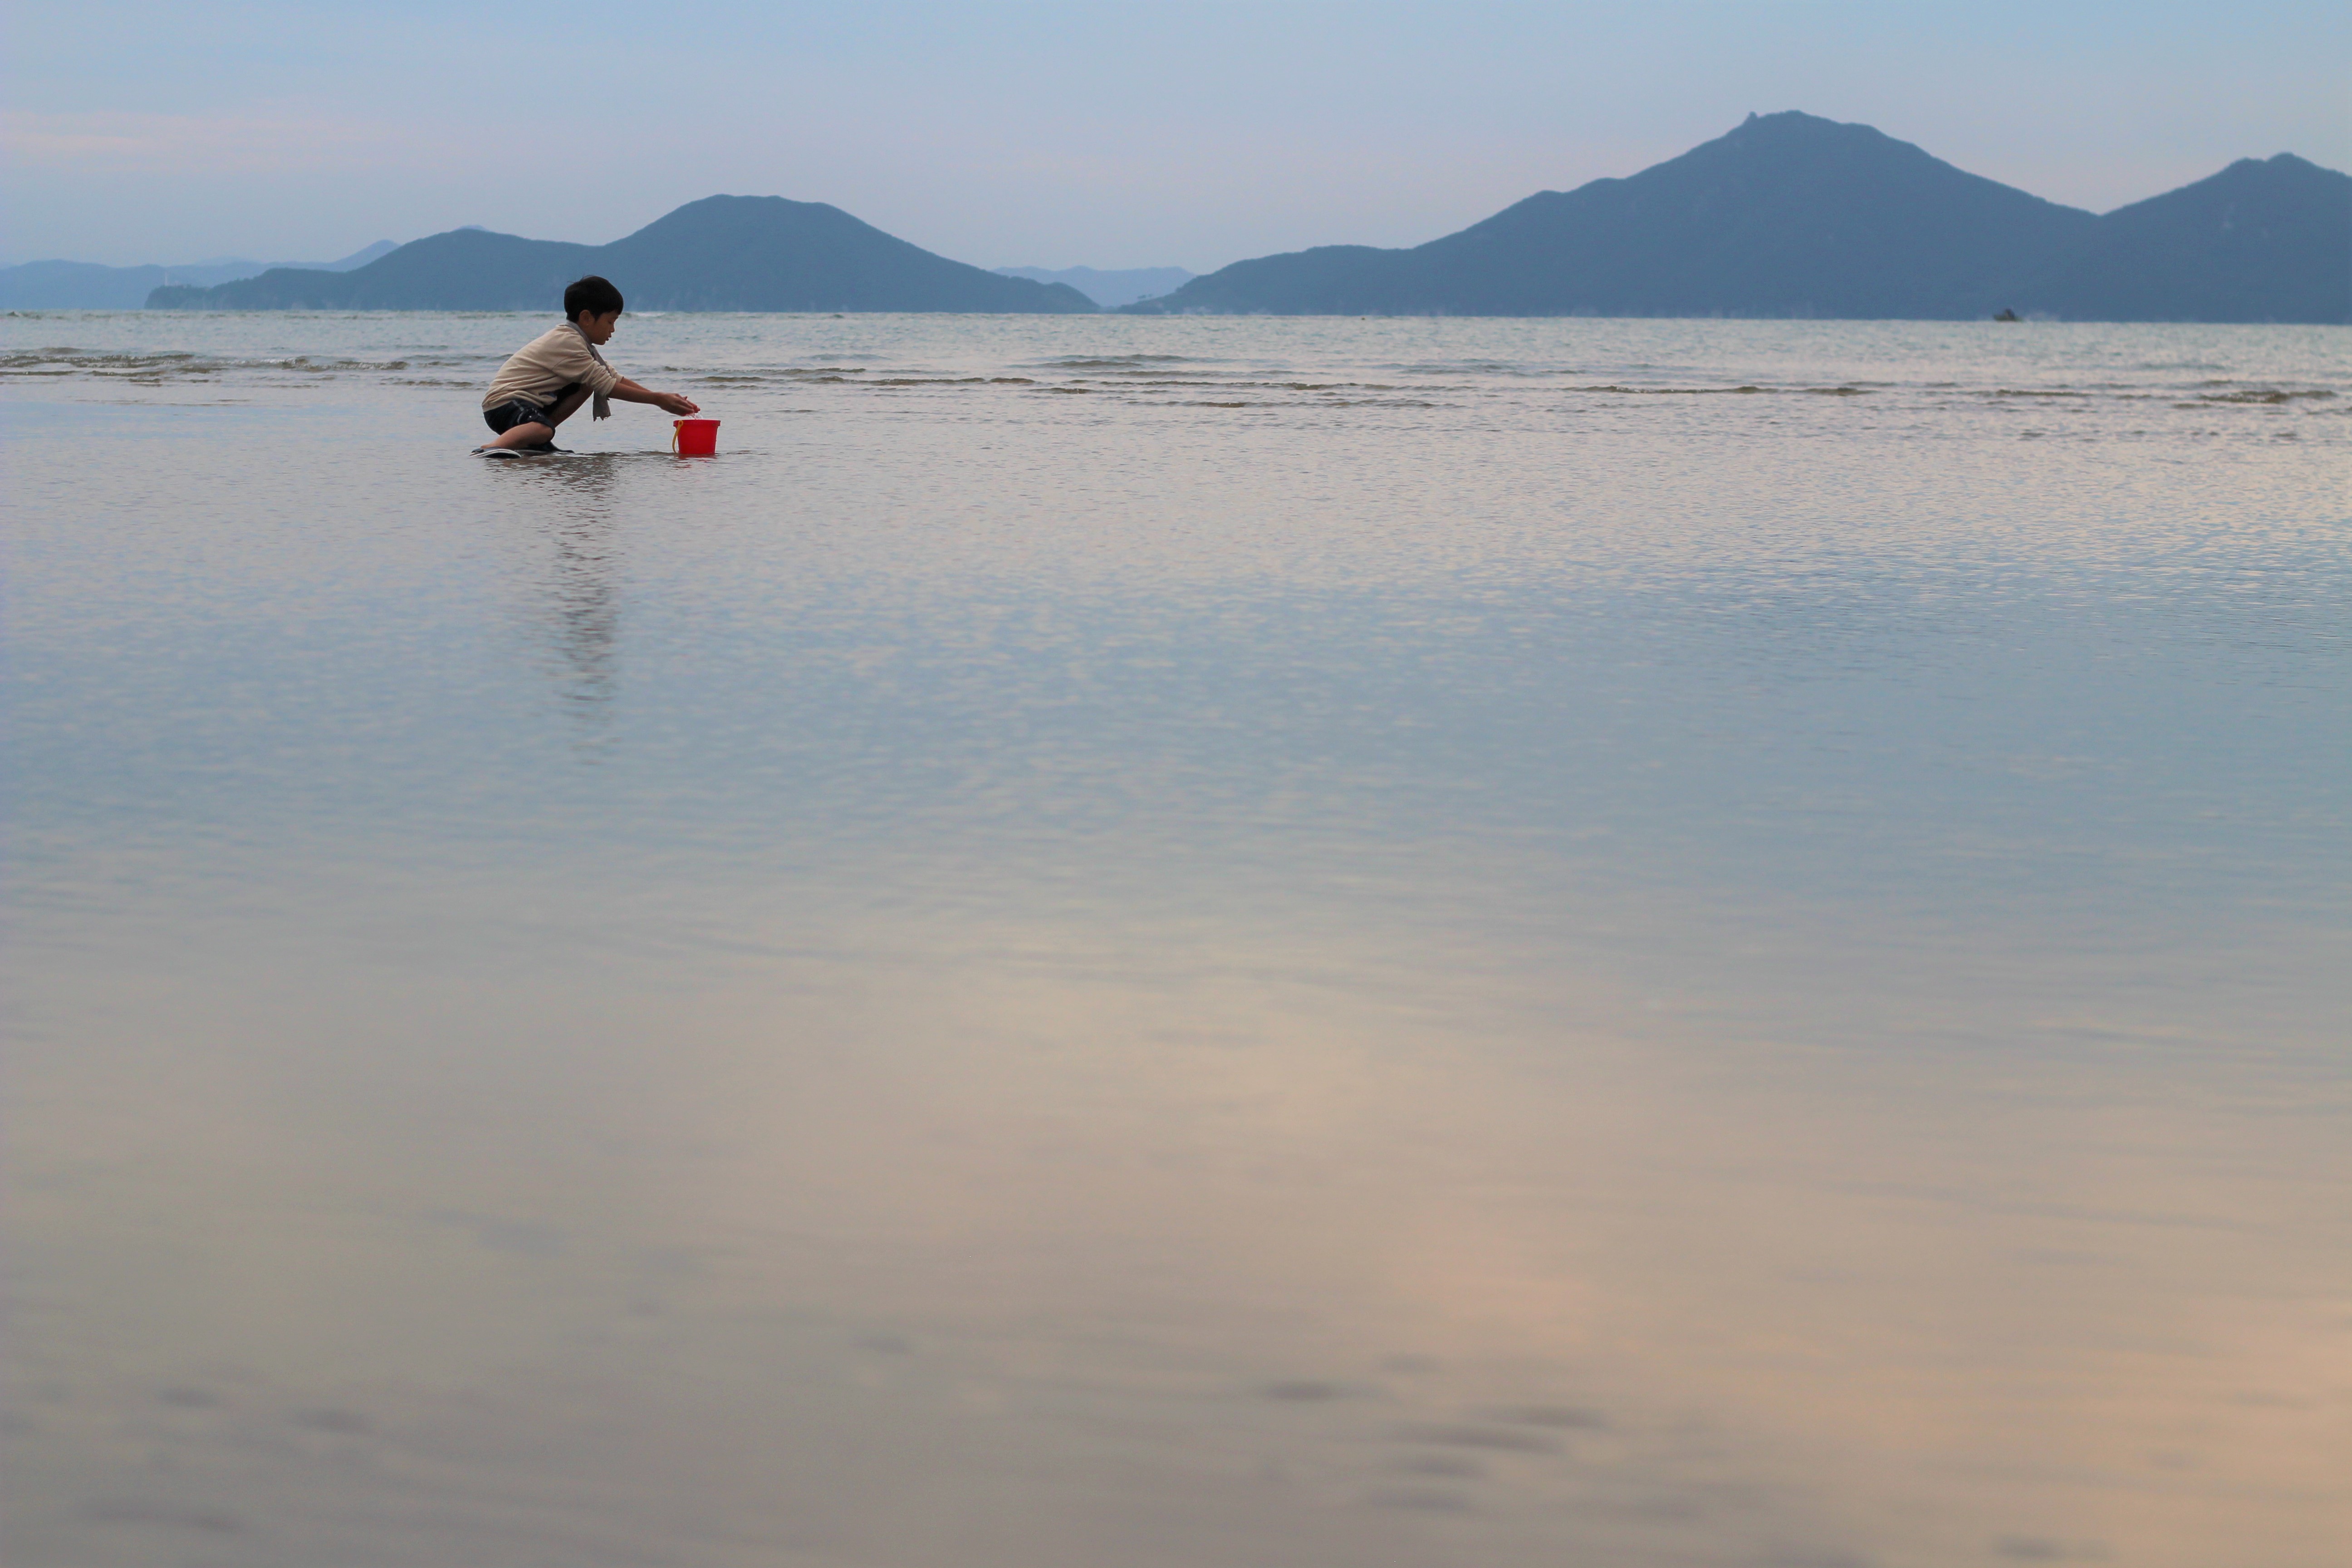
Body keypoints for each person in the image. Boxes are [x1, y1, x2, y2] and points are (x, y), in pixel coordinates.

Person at [476, 275, 701, 452]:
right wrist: (657, 400)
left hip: (528, 404)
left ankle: (533, 442)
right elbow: (608, 386)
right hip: (504, 404)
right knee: (544, 428)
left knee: (587, 385)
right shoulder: (568, 342)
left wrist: (661, 397)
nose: (613, 329)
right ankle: (495, 447)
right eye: (610, 321)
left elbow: (611, 378)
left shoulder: (582, 346)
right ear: (586, 318)